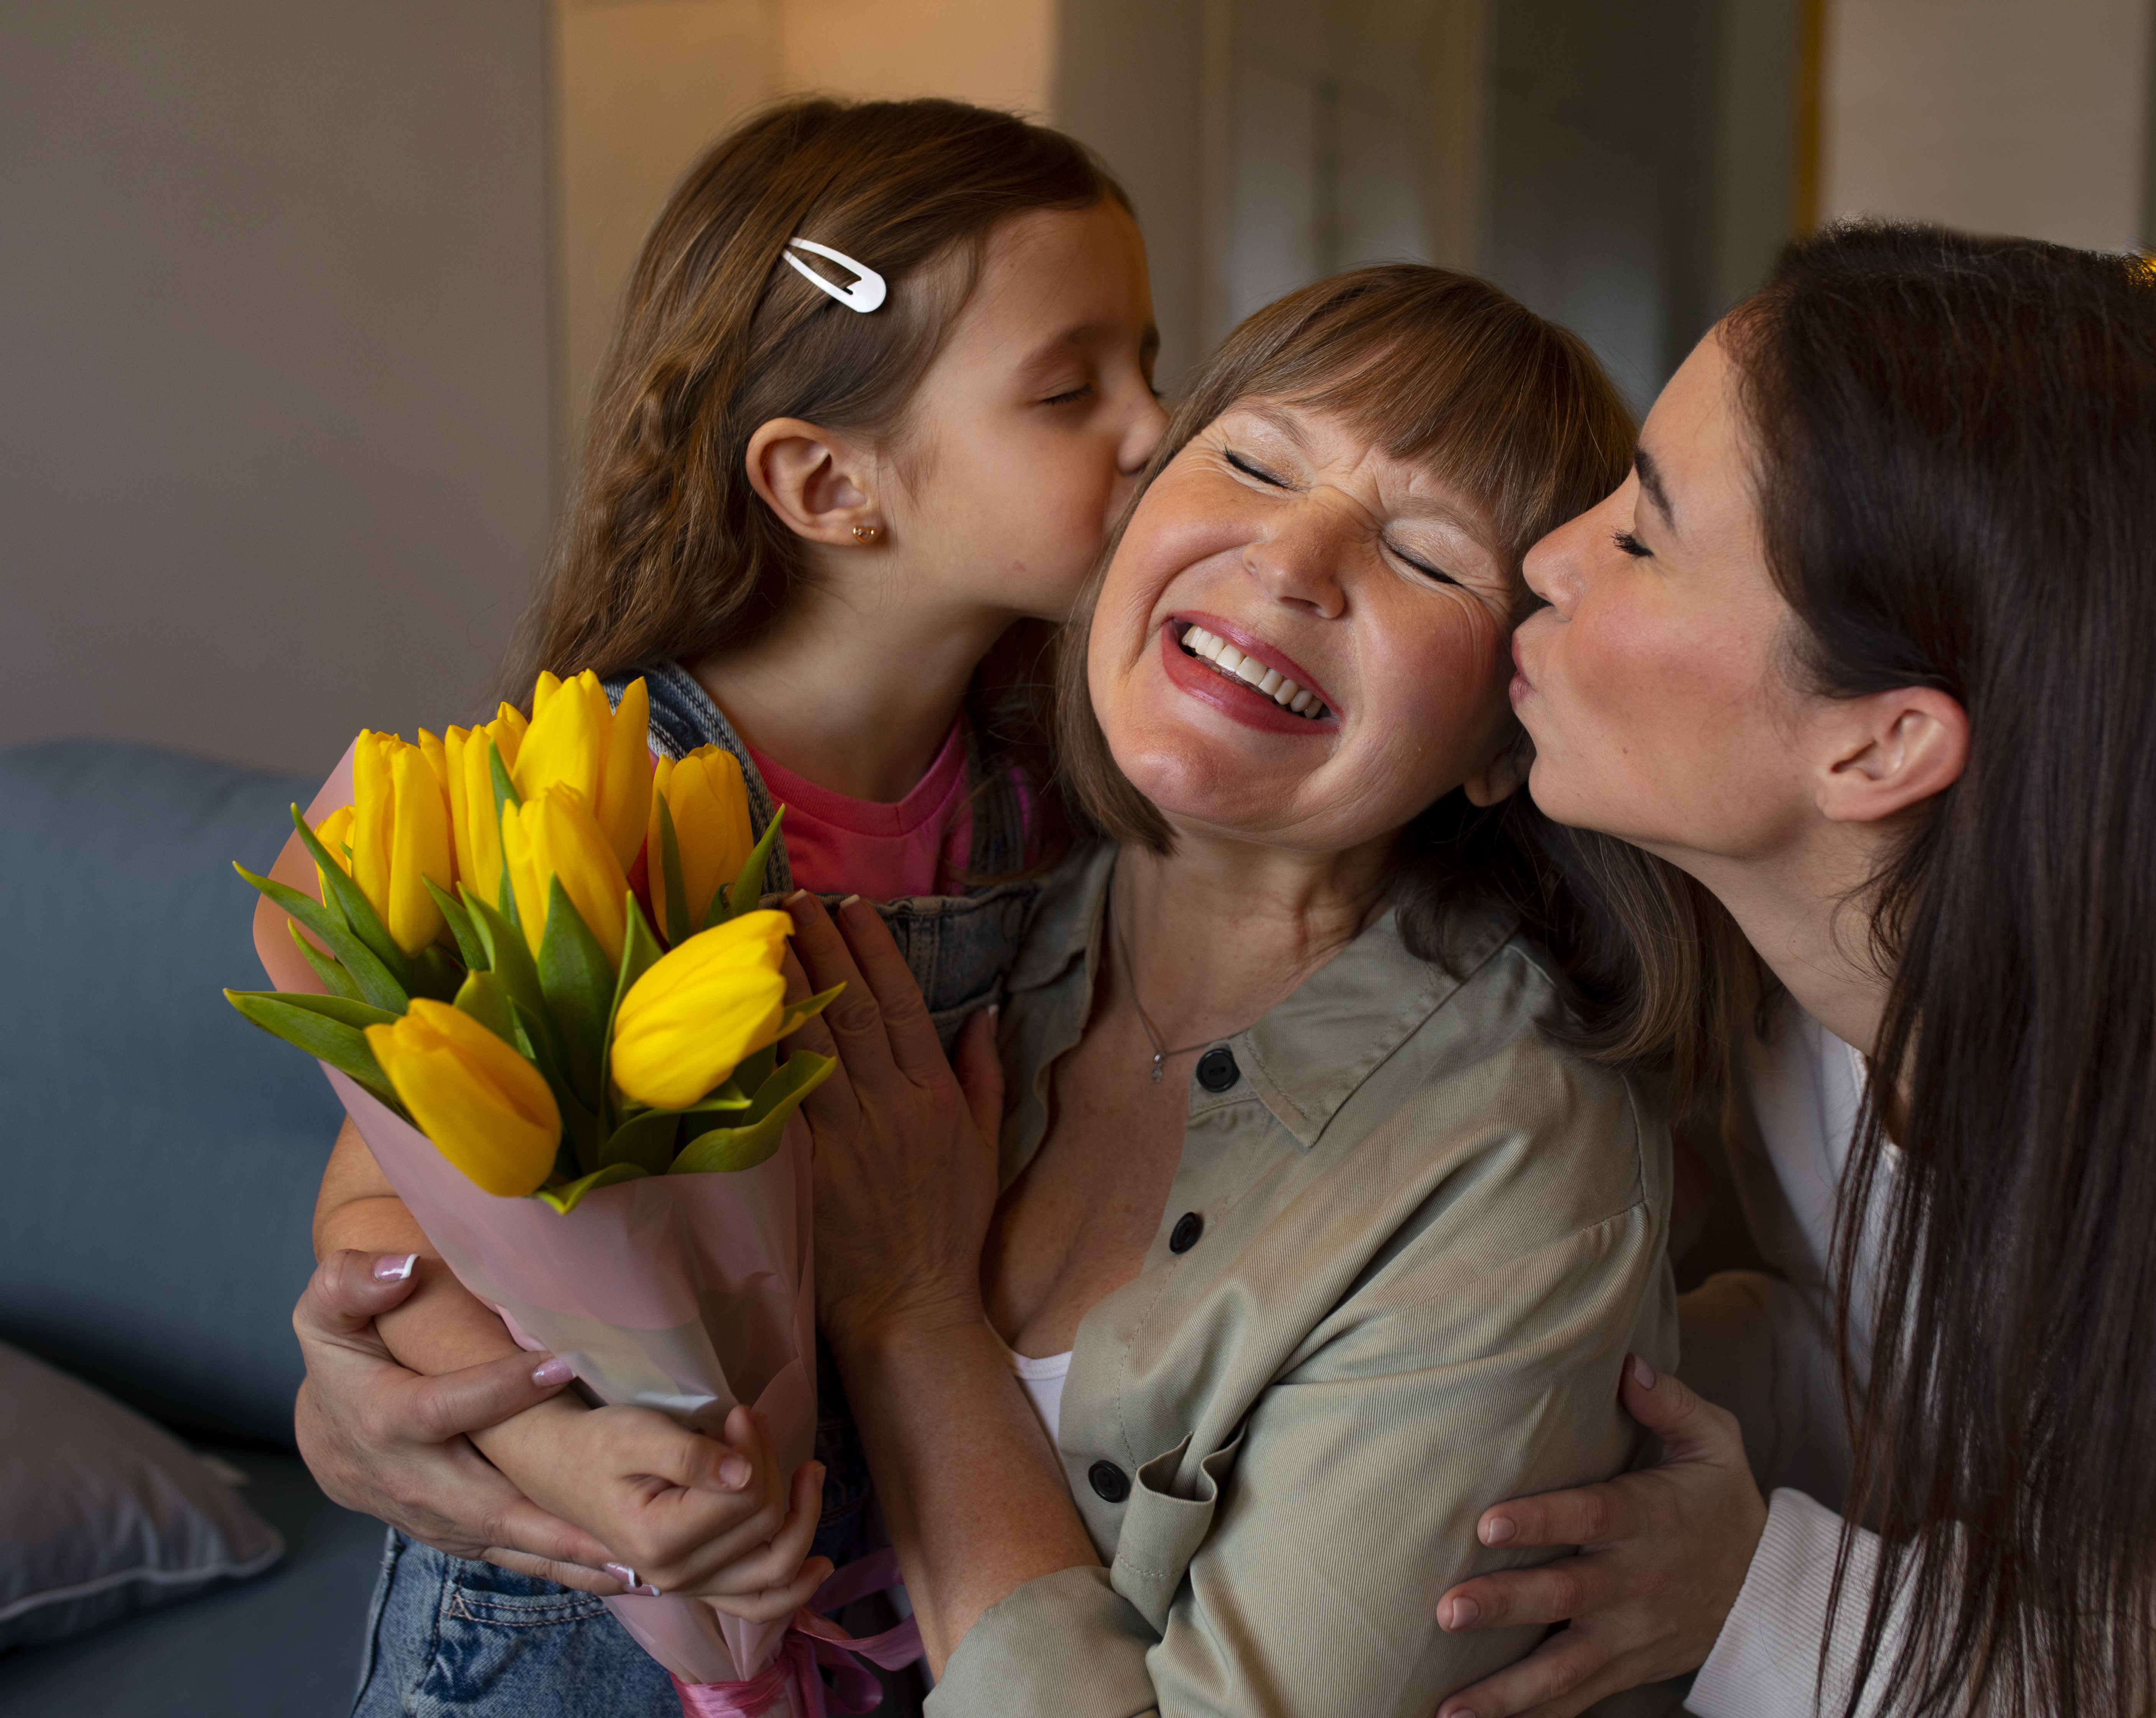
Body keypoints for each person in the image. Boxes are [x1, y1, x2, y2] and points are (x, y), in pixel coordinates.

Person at [1431, 222, 2156, 1717]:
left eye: (1644, 537)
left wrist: (1757, 1596)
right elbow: (1902, 1355)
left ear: (1885, 743)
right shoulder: (1838, 1009)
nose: (1547, 558)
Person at [278, 95, 1164, 1714]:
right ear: (828, 484)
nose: (1157, 427)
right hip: (573, 1614)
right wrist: (562, 1447)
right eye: (1071, 388)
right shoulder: (583, 798)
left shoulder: (1043, 793)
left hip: (893, 1586)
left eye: (1150, 364)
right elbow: (384, 1220)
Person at [774, 262, 1738, 1716]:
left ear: (1505, 730)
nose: (1295, 558)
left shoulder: (1521, 1162)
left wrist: (914, 1321)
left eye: (1425, 553)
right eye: (1253, 460)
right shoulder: (941, 918)